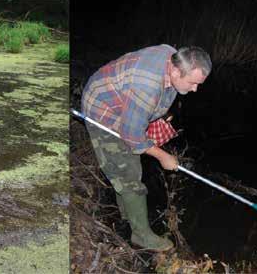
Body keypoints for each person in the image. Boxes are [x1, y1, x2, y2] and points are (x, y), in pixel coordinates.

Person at [81, 44, 211, 252]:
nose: (195, 89)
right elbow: (132, 135)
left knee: (126, 168)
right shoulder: (147, 86)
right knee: (129, 174)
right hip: (103, 112)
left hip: (125, 103)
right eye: (193, 83)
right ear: (176, 71)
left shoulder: (173, 57)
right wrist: (162, 156)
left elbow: (160, 96)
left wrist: (158, 116)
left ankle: (127, 213)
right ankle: (140, 235)